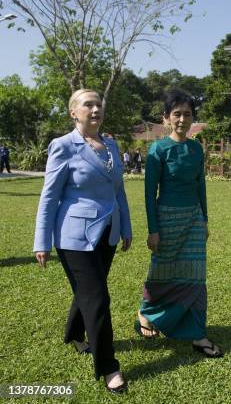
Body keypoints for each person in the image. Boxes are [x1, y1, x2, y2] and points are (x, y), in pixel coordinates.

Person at [33, 89, 132, 394]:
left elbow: (118, 190)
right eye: (87, 104)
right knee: (98, 298)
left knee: (89, 291)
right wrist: (42, 240)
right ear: (73, 113)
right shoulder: (63, 146)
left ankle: (76, 333)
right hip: (74, 237)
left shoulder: (111, 145)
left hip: (108, 233)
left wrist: (126, 226)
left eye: (98, 103)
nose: (95, 108)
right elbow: (50, 195)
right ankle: (108, 367)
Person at [136, 89, 223, 358]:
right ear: (166, 119)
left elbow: (201, 186)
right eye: (177, 114)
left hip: (194, 220)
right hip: (167, 220)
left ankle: (198, 334)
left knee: (195, 276)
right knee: (161, 272)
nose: (182, 119)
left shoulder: (196, 148)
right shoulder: (157, 149)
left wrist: (205, 220)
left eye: (187, 114)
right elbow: (150, 193)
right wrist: (153, 230)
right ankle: (147, 313)